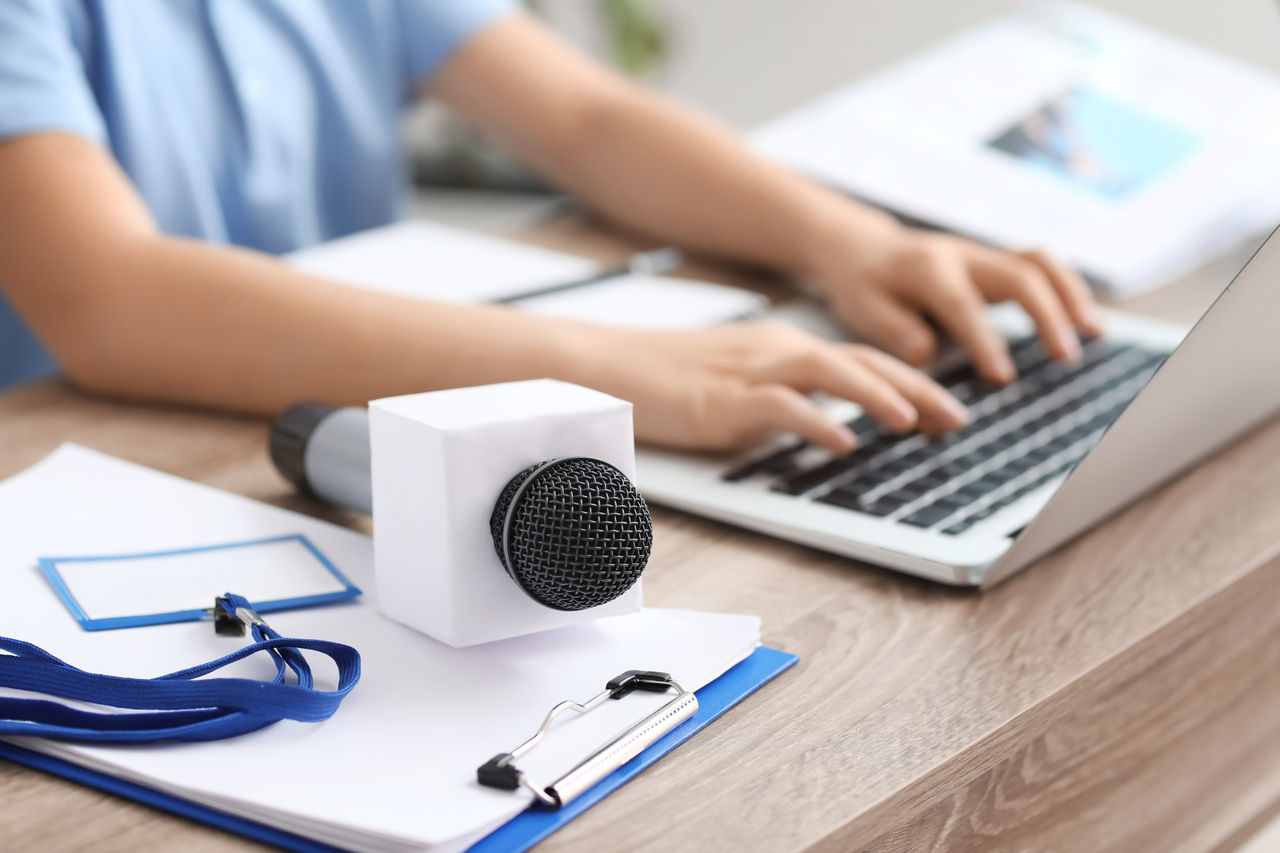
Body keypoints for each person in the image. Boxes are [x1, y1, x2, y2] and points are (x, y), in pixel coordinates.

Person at [0, 1, 1101, 455]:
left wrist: (841, 238)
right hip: (89, 457)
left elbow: (584, 117)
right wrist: (615, 370)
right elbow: (110, 298)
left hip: (340, 417)